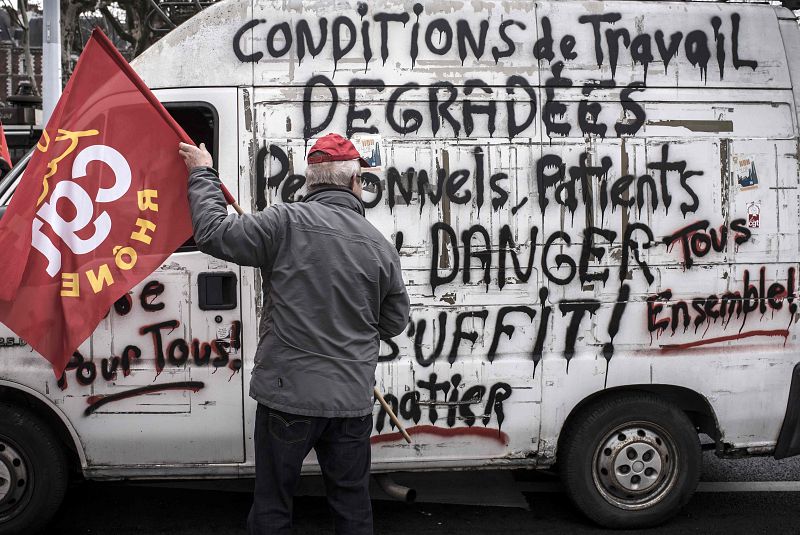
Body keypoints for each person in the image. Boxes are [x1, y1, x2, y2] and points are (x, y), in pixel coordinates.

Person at [179, 133, 410, 535]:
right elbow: (393, 322)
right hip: (351, 401)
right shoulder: (379, 247)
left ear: (310, 181)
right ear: (355, 183)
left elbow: (213, 232)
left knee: (273, 505)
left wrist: (202, 174)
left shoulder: (282, 223)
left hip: (287, 397)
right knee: (352, 508)